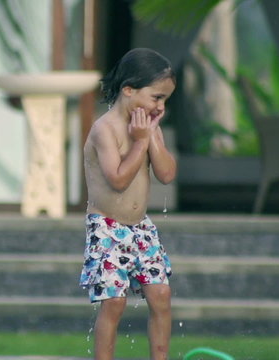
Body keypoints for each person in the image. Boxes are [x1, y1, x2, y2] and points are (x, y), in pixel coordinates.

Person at [79, 48, 177, 360]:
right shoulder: (104, 129)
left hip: (140, 227)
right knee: (114, 302)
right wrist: (139, 142)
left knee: (161, 295)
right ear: (129, 90)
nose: (160, 106)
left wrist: (150, 138)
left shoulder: (148, 127)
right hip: (106, 226)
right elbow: (118, 180)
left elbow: (166, 174)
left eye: (164, 100)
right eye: (156, 97)